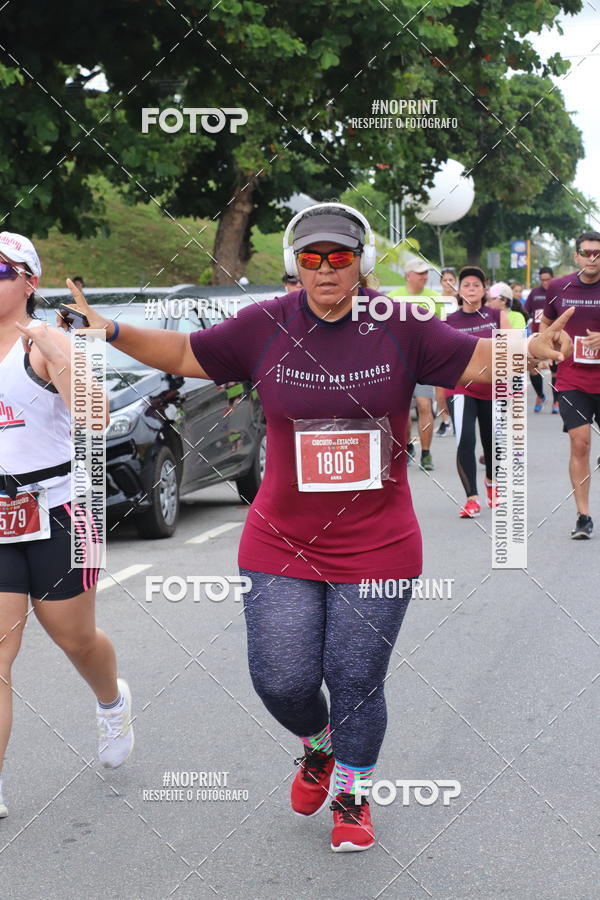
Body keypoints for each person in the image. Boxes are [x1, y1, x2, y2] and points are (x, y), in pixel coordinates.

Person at [62, 203, 571, 852]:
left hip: (379, 544)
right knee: (283, 678)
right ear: (294, 265)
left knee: (356, 678)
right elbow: (189, 353)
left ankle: (354, 794)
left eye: (339, 256)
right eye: (311, 257)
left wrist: (531, 349)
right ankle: (318, 746)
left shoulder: (399, 325)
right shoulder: (265, 325)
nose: (326, 269)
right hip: (280, 540)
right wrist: (111, 332)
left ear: (359, 260)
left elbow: (475, 361)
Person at [0, 232, 134, 820]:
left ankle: (111, 700)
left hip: (58, 509)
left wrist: (61, 352)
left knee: (74, 639)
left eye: (1, 270)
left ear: (29, 281)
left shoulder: (43, 342)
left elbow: (97, 415)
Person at [540, 231, 600, 539]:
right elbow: (545, 324)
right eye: (586, 252)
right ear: (576, 256)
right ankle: (583, 515)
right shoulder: (559, 287)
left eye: (597, 253)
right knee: (580, 443)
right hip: (572, 377)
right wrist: (553, 338)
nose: (592, 258)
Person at [445, 267, 511, 518]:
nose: (471, 289)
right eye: (466, 285)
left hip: (493, 389)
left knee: (492, 443)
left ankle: (491, 483)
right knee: (465, 440)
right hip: (460, 388)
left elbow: (511, 351)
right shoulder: (449, 322)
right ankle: (471, 498)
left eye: (476, 285)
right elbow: (443, 359)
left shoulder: (496, 315)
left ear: (484, 290)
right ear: (459, 291)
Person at [389, 259, 445, 469]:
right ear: (408, 275)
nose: (424, 276)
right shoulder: (393, 298)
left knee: (424, 404)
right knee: (402, 409)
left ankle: (426, 453)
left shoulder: (434, 299)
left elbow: (444, 330)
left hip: (424, 362)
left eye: (425, 273)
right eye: (419, 273)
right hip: (398, 362)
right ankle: (406, 446)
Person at [525, 267, 558, 413]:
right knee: (532, 368)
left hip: (554, 339)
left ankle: (556, 401)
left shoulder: (559, 291)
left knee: (555, 372)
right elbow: (526, 311)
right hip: (537, 338)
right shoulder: (535, 293)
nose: (545, 282)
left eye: (548, 279)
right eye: (542, 280)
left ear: (553, 278)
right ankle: (540, 395)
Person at [434, 269, 459, 436]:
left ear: (455, 281)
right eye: (445, 280)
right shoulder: (435, 300)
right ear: (441, 283)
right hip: (440, 347)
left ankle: (459, 418)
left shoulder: (461, 300)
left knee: (459, 385)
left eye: (451, 279)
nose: (448, 283)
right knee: (440, 387)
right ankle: (445, 420)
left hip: (459, 346)